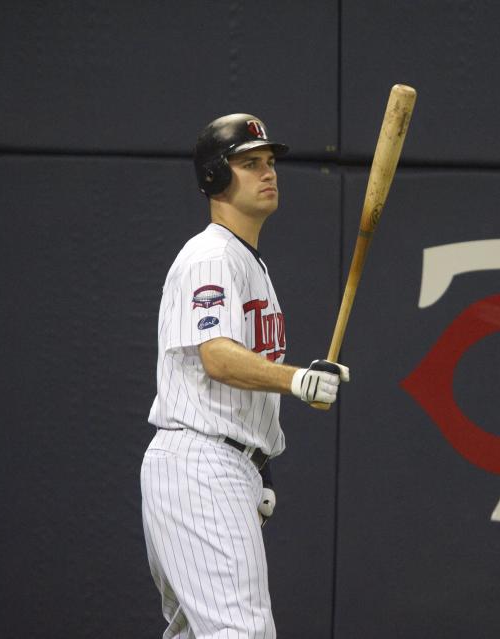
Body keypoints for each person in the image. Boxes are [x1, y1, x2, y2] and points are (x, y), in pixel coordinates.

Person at [140, 113, 349, 639]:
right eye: (249, 163)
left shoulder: (246, 261)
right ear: (214, 177)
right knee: (241, 633)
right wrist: (296, 380)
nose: (267, 172)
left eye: (269, 162)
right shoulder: (211, 255)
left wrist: (261, 467)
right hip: (201, 464)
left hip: (223, 464)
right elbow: (217, 357)